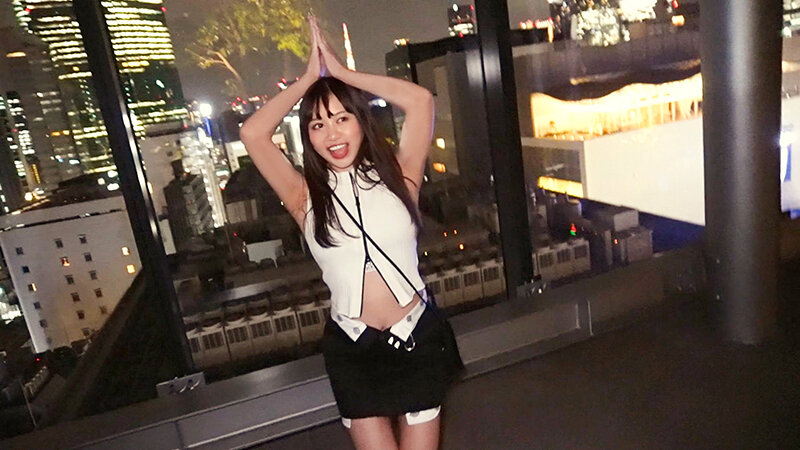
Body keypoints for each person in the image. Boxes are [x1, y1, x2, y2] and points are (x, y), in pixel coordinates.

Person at [240, 16, 458, 450]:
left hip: (416, 336)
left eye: (342, 117)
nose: (332, 133)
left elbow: (419, 101)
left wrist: (342, 73)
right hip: (353, 349)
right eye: (318, 125)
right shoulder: (303, 195)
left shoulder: (400, 176)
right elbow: (253, 133)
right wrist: (308, 80)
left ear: (361, 121)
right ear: (308, 136)